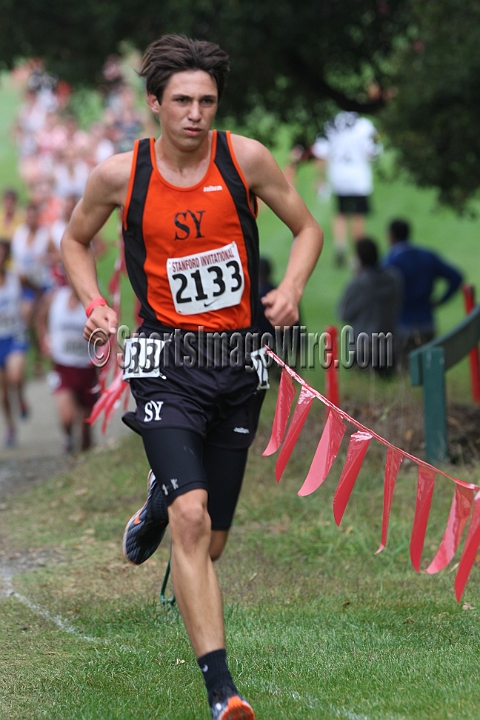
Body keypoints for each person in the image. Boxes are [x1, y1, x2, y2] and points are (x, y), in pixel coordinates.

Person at [61, 34, 323, 720]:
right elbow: (74, 240)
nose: (195, 114)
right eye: (182, 101)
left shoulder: (246, 160)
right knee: (193, 516)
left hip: (239, 362)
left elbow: (308, 229)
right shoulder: (122, 175)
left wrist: (292, 288)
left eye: (207, 101)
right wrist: (95, 302)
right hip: (162, 361)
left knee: (208, 543)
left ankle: (156, 502)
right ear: (155, 105)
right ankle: (222, 692)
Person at [384, 219, 463, 361]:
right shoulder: (427, 256)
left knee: (405, 372)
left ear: (391, 236)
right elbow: (456, 277)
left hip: (402, 325)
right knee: (428, 369)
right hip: (427, 323)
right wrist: (441, 301)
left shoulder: (390, 262)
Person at [311, 111, 382, 266]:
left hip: (338, 176)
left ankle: (340, 245)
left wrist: (319, 178)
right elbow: (374, 152)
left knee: (340, 213)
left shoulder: (331, 124)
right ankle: (358, 253)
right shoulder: (365, 125)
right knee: (358, 215)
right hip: (359, 177)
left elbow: (321, 153)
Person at [38, 283, 98, 453]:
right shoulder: (55, 297)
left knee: (87, 424)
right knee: (67, 417)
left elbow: (109, 330)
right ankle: (68, 440)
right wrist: (44, 339)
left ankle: (85, 459)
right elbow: (40, 317)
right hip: (62, 366)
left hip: (87, 368)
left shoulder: (95, 302)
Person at [338, 237, 403, 373]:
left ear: (359, 259)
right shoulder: (394, 278)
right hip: (390, 346)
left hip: (364, 348)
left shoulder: (359, 284)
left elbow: (344, 313)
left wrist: (357, 276)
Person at [0, 241, 28, 447]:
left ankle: (21, 397)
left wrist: (31, 308)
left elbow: (35, 290)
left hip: (15, 337)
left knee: (16, 377)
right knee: (3, 393)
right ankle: (10, 426)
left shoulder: (16, 277)